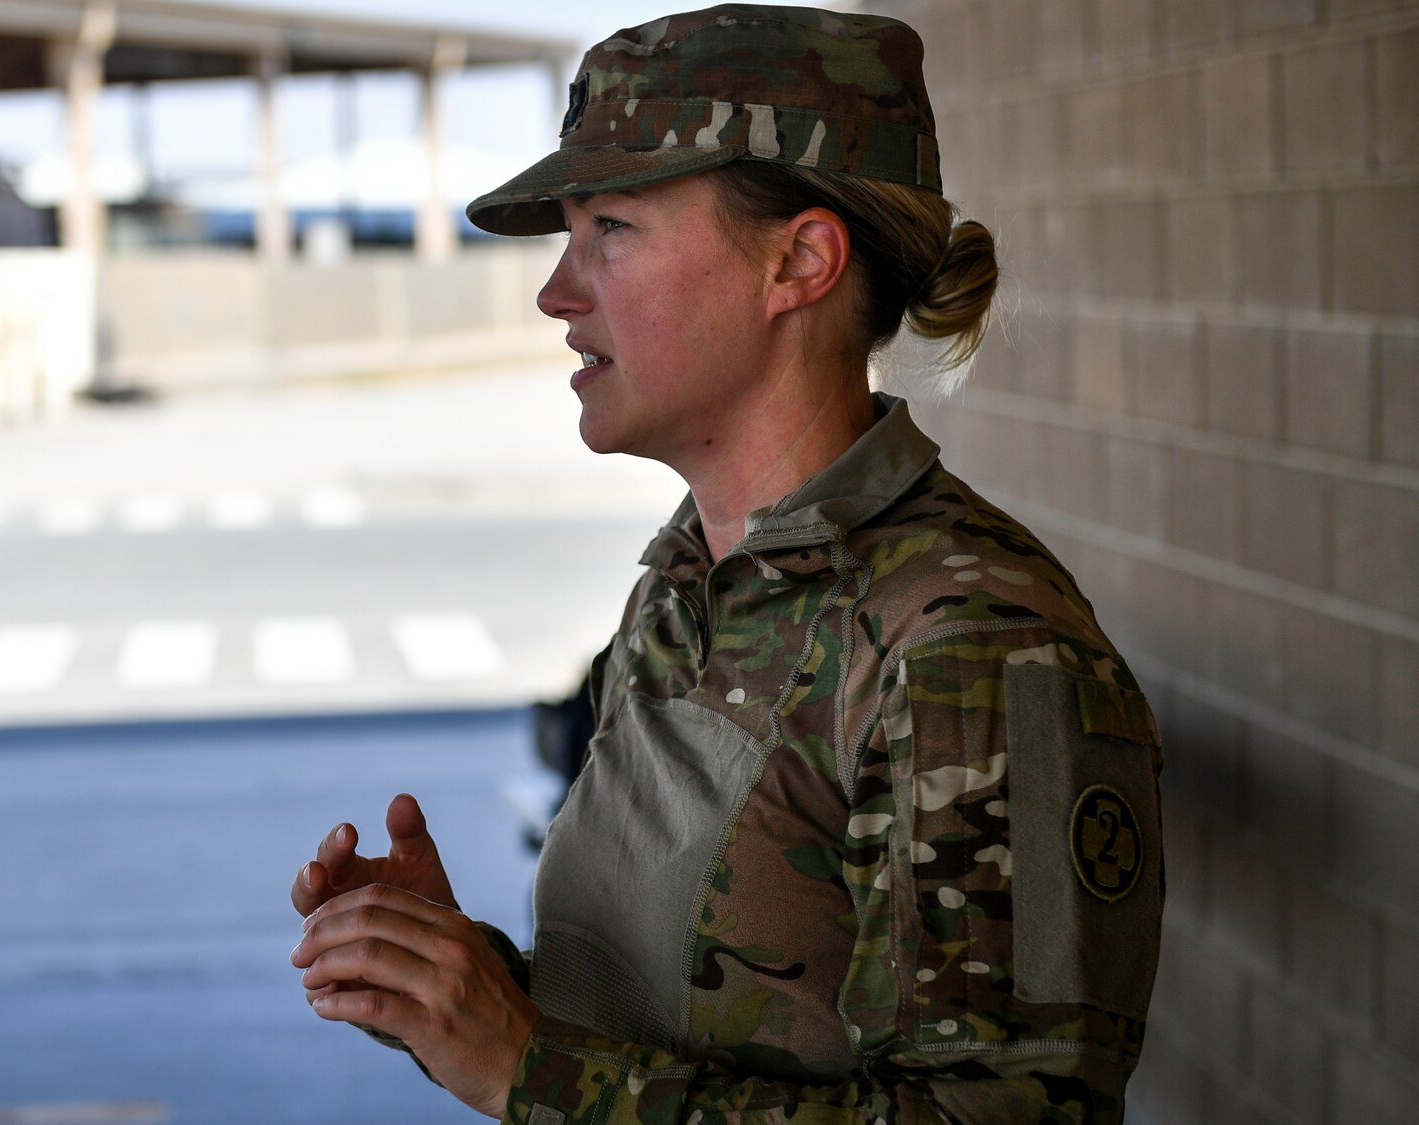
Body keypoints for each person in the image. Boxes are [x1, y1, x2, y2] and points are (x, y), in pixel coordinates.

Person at [288, 6, 1164, 1123]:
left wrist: (526, 1066)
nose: (557, 292)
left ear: (796, 261)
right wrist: (456, 987)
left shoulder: (967, 645)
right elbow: (665, 1030)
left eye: (609, 228)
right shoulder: (691, 579)